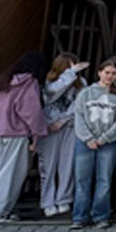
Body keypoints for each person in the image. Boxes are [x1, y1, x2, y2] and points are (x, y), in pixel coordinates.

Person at [0, 52, 49, 223]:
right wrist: (38, 132)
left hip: (2, 130)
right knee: (13, 173)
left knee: (1, 171)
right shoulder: (29, 83)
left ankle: (0, 209)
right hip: (18, 132)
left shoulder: (7, 81)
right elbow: (31, 112)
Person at [70, 59, 116, 229]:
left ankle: (101, 215)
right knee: (82, 180)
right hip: (85, 142)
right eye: (107, 72)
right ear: (99, 73)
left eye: (113, 73)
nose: (110, 76)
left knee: (104, 180)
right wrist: (88, 138)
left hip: (108, 142)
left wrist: (105, 138)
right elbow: (79, 116)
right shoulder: (86, 93)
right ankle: (80, 216)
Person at [39, 53, 89, 217]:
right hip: (49, 127)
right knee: (48, 165)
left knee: (67, 164)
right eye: (70, 65)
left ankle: (64, 199)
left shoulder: (81, 83)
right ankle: (47, 201)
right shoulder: (50, 81)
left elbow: (79, 104)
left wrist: (64, 120)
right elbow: (52, 94)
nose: (74, 68)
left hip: (69, 127)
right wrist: (69, 74)